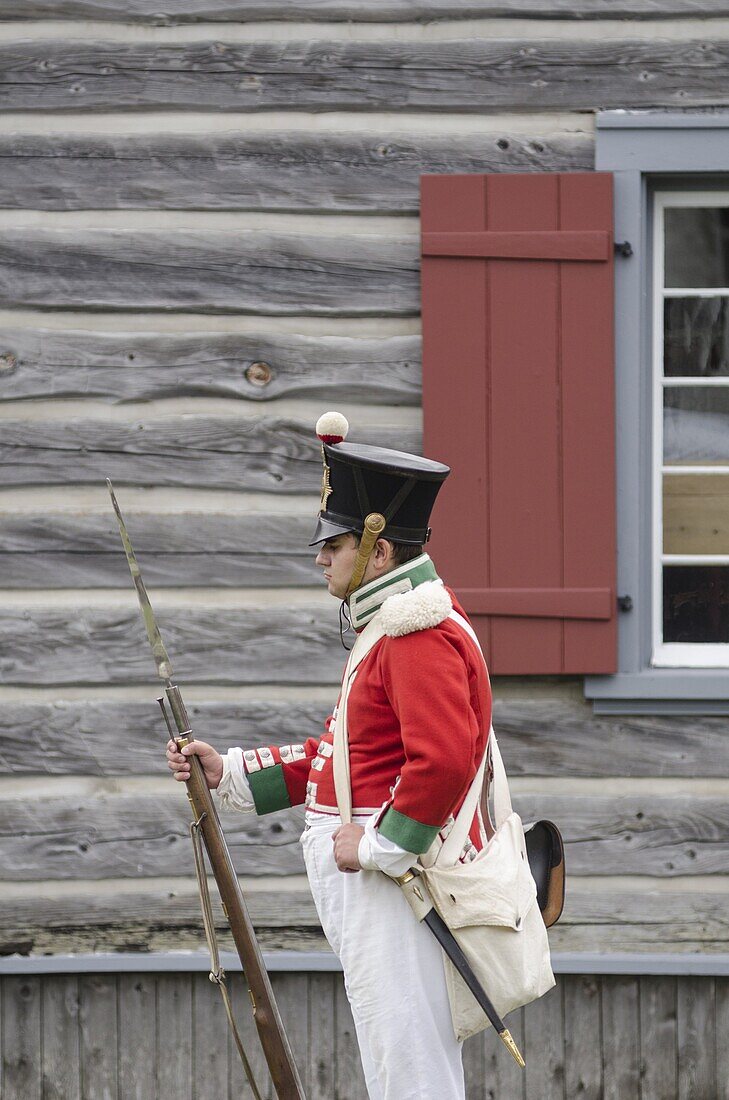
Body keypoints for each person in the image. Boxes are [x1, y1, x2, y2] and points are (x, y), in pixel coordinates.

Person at [166, 412, 492, 1100]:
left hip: (394, 884)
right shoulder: (390, 624)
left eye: (334, 544)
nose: (320, 558)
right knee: (393, 1058)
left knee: (410, 1071)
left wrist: (377, 848)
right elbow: (342, 755)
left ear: (377, 550)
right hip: (380, 882)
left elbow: (442, 763)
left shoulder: (413, 633)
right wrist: (230, 773)